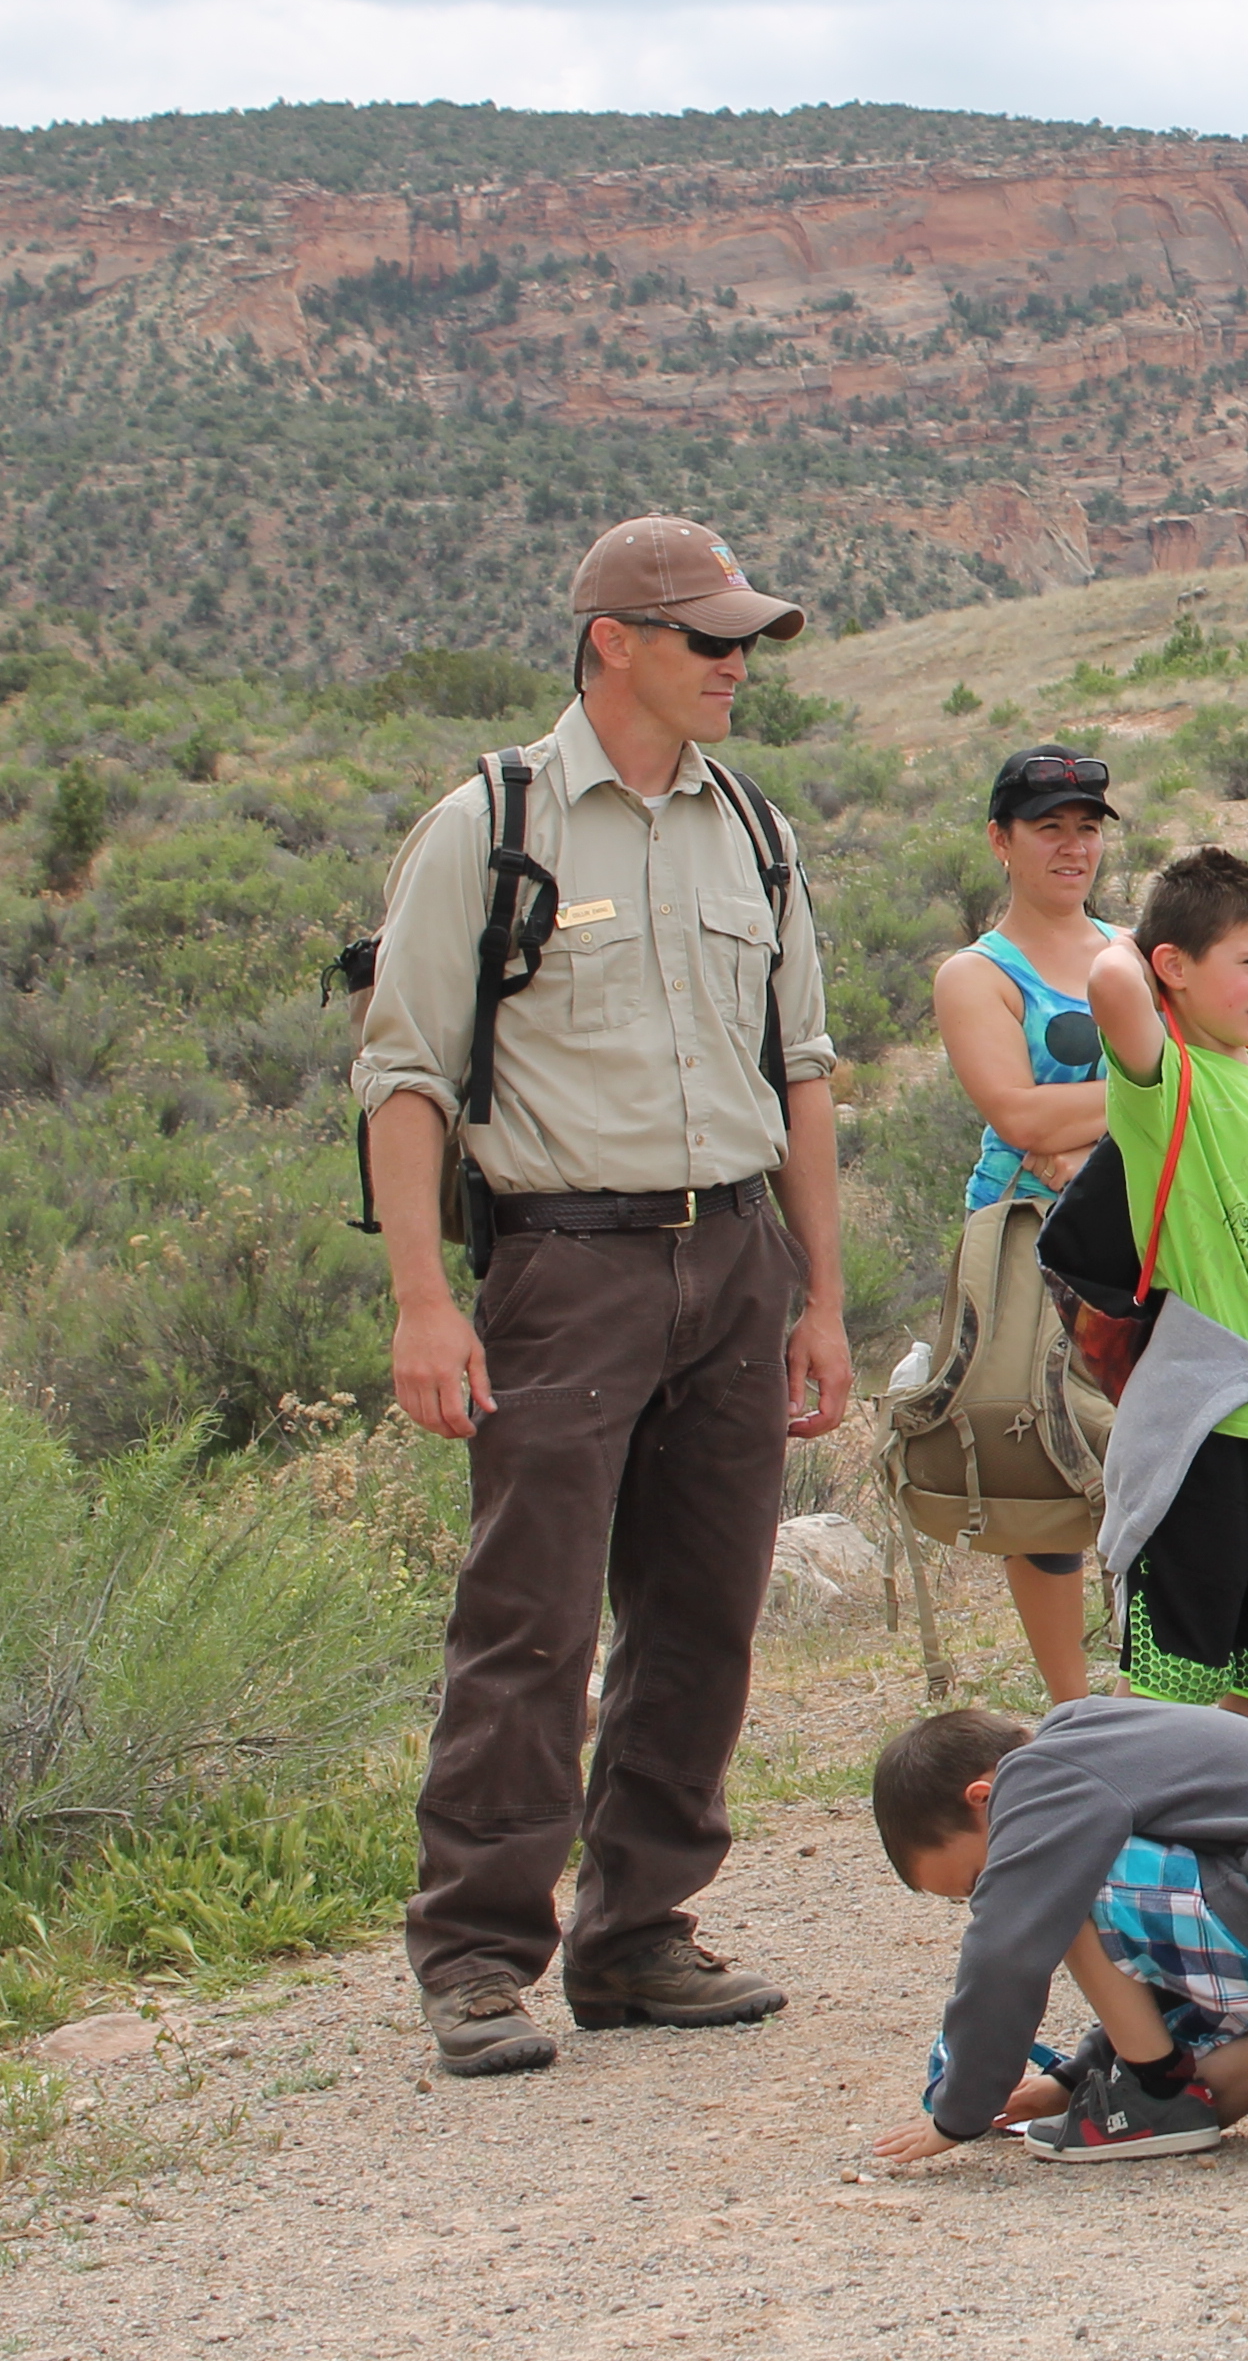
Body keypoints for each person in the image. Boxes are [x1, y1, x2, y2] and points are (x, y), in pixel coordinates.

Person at [352, 513, 846, 2080]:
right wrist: (425, 1301)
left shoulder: (750, 830)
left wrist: (818, 1297)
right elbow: (406, 1074)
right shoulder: (486, 823)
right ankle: (480, 1957)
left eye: (746, 640)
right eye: (709, 641)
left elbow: (807, 1074)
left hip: (736, 1255)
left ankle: (638, 1937)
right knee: (533, 1617)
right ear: (612, 643)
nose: (736, 666)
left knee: (703, 1616)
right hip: (566, 1262)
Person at [868, 1698, 1248, 2164]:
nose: (987, 1896)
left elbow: (1004, 1955)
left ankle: (1153, 2090)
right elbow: (1161, 1968)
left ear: (984, 1797)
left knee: (1060, 1888)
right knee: (1199, 2101)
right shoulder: (1093, 1748)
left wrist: (958, 2113)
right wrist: (1072, 2080)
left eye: (978, 1880)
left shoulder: (1039, 1779)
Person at [1079, 849, 1248, 1726]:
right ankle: (1148, 1842)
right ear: (1173, 969)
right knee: (1175, 1678)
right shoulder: (1168, 1081)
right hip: (1206, 1417)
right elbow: (1109, 980)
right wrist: (1154, 933)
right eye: (1247, 963)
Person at [932, 740, 1129, 1705]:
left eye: (1086, 828)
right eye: (1048, 827)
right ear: (999, 841)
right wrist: (1149, 1097)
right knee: (1044, 1465)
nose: (1071, 847)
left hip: (1145, 1239)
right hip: (1025, 1250)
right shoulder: (975, 974)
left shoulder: (1132, 953)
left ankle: (1166, 1682)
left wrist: (1085, 1121)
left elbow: (1217, 1079)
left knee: (1156, 1457)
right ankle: (1074, 1704)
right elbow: (1019, 1119)